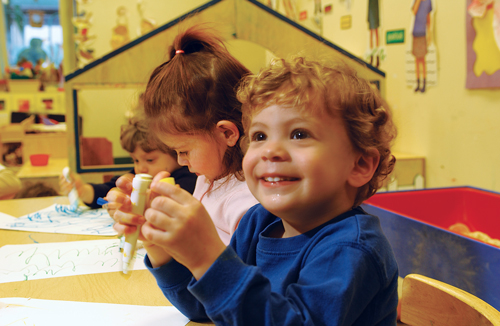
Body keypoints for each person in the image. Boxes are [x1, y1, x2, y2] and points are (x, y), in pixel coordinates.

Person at [138, 56, 399, 325]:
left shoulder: (350, 249)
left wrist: (208, 258)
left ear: (360, 164)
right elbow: (208, 308)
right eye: (260, 136)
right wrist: (159, 248)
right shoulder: (257, 221)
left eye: (299, 134)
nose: (270, 151)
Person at [110, 25, 259, 245]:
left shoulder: (247, 204)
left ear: (227, 133)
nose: (180, 160)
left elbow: (239, 275)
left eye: (184, 151)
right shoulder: (207, 178)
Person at [59, 111, 197, 210]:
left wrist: (128, 203)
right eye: (135, 160)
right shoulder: (140, 175)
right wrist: (83, 190)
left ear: (175, 152)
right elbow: (107, 190)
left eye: (150, 160)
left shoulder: (189, 179)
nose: (141, 168)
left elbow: (164, 207)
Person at [411, 0, 433, 93]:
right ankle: (418, 83)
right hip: (416, 32)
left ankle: (424, 83)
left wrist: (429, 33)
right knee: (416, 59)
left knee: (422, 59)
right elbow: (414, 11)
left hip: (423, 33)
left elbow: (428, 18)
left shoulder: (428, 2)